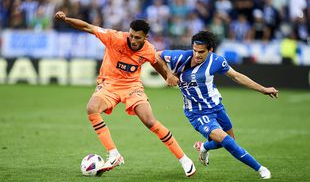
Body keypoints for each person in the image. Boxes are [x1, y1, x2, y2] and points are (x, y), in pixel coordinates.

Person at [54, 11, 196, 177]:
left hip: (132, 86)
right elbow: (88, 27)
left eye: (138, 38)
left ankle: (184, 159)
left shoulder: (148, 49)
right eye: (132, 36)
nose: (133, 40)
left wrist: (168, 76)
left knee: (149, 121)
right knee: (92, 108)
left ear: (146, 37)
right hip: (109, 84)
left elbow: (157, 62)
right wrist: (66, 19)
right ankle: (114, 154)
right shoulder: (114, 37)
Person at [157, 30, 279, 179]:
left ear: (210, 50)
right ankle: (261, 169)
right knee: (227, 141)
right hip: (197, 113)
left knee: (228, 141)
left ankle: (204, 147)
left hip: (217, 107)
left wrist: (263, 89)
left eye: (201, 52)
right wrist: (168, 74)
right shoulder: (180, 57)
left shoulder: (217, 61)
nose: (197, 55)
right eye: (195, 50)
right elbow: (157, 55)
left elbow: (236, 76)